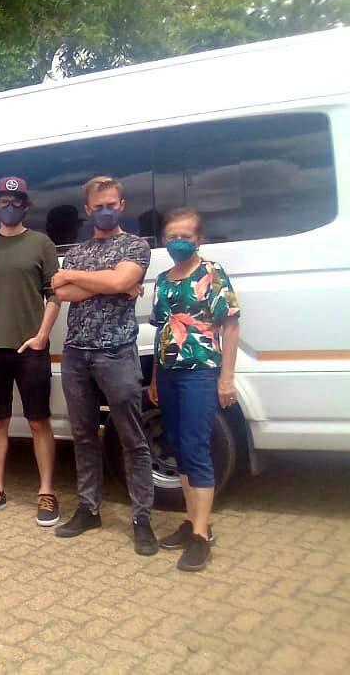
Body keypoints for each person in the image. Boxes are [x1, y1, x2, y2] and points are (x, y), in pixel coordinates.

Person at [52, 176, 158, 556]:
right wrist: (112, 283)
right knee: (83, 436)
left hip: (116, 352)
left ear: (122, 204)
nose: (105, 210)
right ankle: (88, 508)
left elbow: (118, 280)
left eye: (111, 204)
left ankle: (142, 520)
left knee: (132, 438)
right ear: (88, 210)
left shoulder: (136, 245)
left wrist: (97, 280)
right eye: (98, 206)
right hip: (76, 353)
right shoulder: (78, 249)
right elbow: (61, 292)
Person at [0, 177, 63, 525]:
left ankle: (47, 492)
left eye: (17, 200)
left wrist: (41, 335)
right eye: (4, 200)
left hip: (30, 348)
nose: (10, 205)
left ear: (26, 205)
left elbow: (55, 293)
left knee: (39, 421)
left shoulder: (41, 243)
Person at [149, 207, 240, 572]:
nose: (178, 242)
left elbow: (230, 326)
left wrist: (227, 377)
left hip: (201, 372)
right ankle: (191, 522)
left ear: (199, 238)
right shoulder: (163, 279)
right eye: (172, 236)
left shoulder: (212, 274)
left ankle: (202, 536)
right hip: (168, 373)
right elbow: (162, 329)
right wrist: (154, 378)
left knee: (198, 448)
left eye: (186, 236)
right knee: (181, 449)